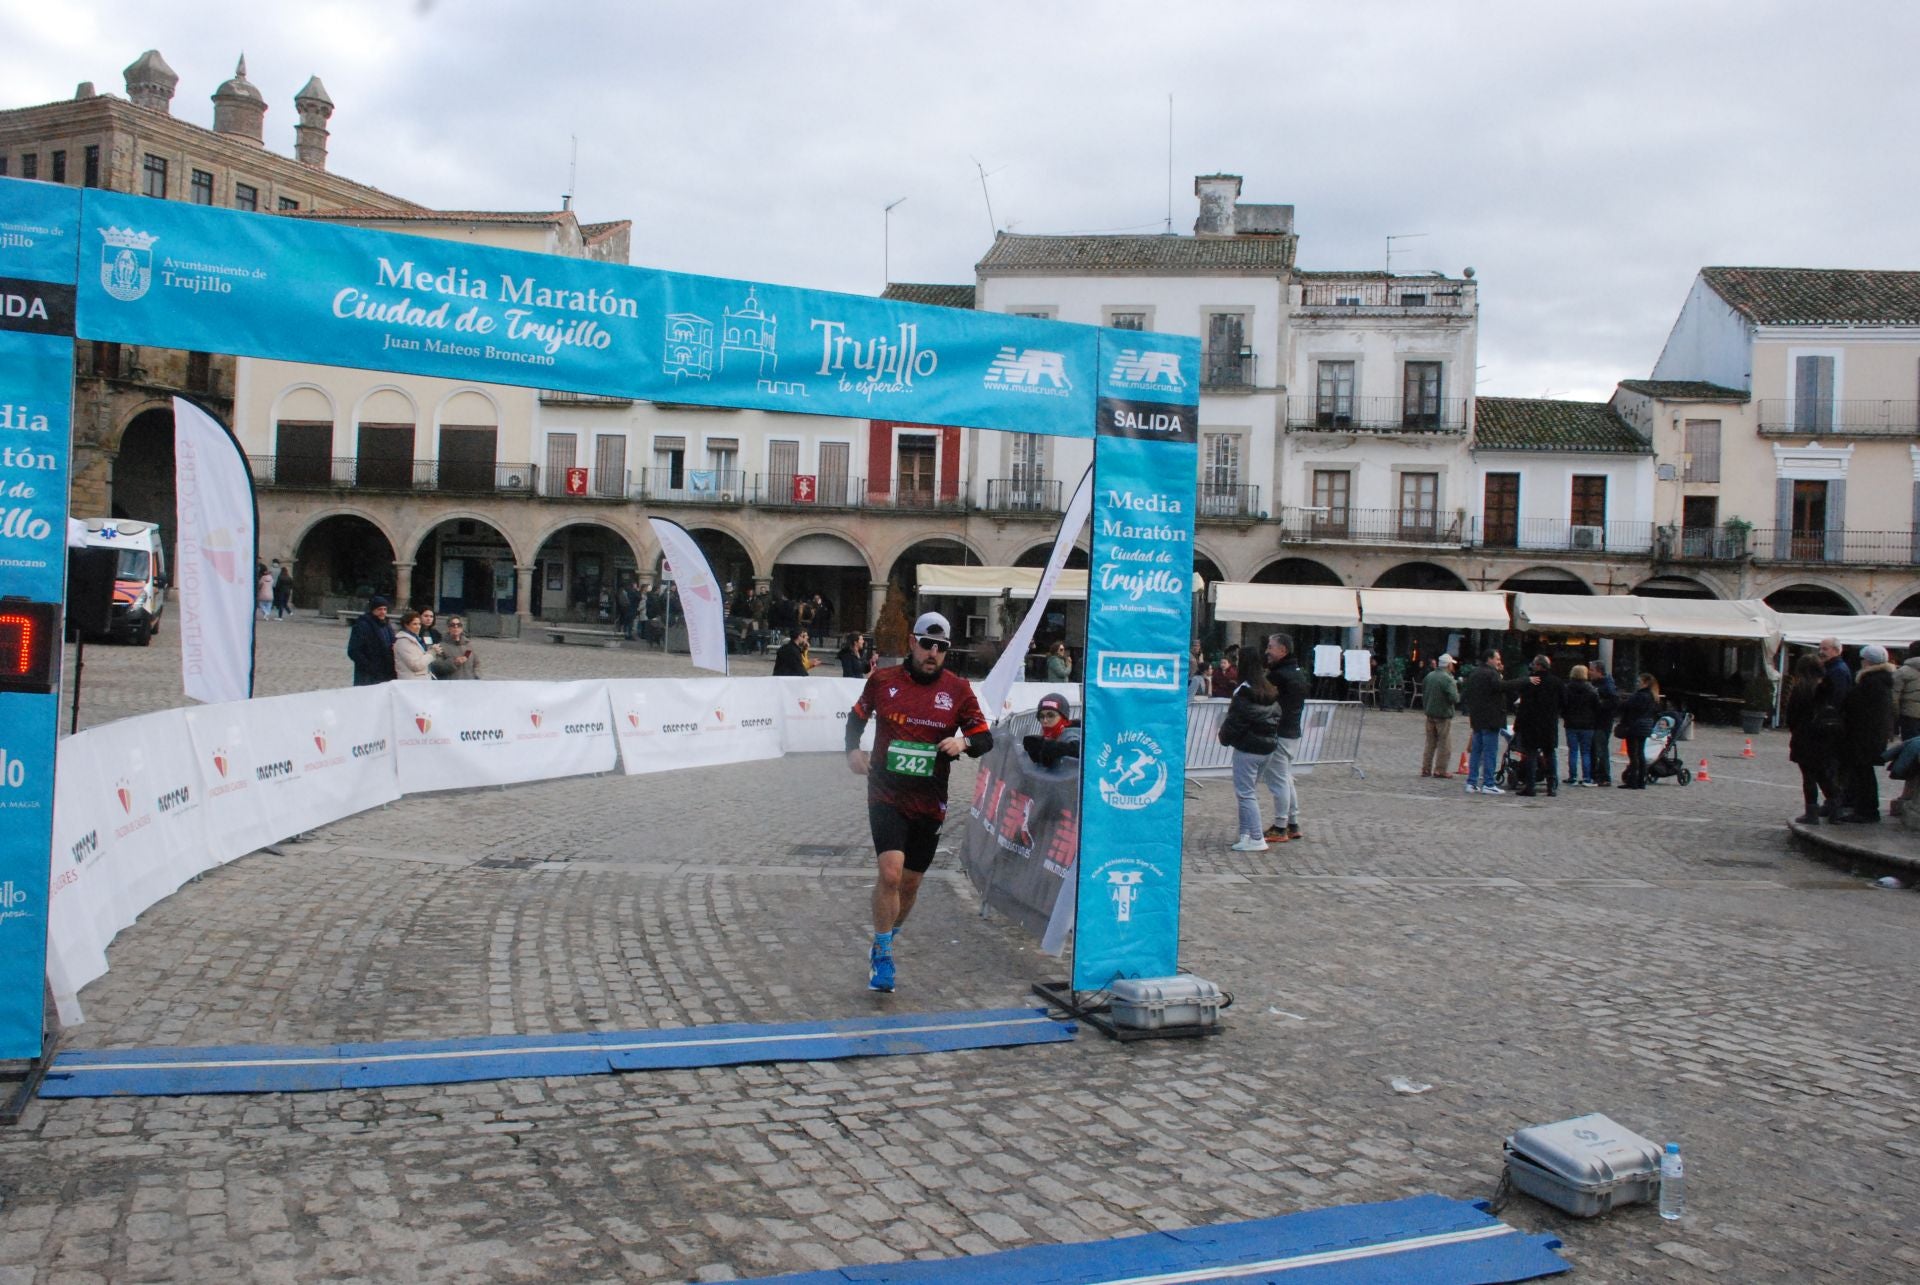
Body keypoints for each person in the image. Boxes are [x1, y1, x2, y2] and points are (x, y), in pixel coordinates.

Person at [844, 611, 992, 992]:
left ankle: (888, 937)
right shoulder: (883, 680)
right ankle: (883, 953)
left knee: (910, 884)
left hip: (929, 800)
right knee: (890, 874)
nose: (933, 653)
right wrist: (852, 751)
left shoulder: (958, 690)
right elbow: (856, 718)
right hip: (886, 792)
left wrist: (963, 742)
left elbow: (984, 737)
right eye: (927, 644)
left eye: (941, 647)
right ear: (913, 642)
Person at [1219, 665, 1282, 851]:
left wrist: (1224, 737)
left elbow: (1234, 722)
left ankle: (1255, 837)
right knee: (1248, 792)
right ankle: (1245, 835)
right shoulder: (1269, 694)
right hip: (1267, 748)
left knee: (1246, 794)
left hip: (1248, 749)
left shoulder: (1243, 696)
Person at [1835, 644, 1897, 823]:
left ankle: (1867, 810)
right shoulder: (1881, 680)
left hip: (1865, 736)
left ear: (1868, 661)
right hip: (1871, 735)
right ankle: (1861, 806)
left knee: (1864, 774)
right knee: (1862, 773)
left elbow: (1857, 708)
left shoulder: (1871, 682)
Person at [1261, 632, 1310, 843]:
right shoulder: (1297, 673)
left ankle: (1281, 826)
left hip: (1279, 732)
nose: (1267, 651)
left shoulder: (1278, 676)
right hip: (1292, 731)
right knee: (1286, 778)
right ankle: (1292, 822)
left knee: (1279, 780)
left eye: (1271, 647)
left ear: (1283, 650)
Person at [1460, 650, 1526, 795]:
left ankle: (1472, 782)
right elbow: (1501, 686)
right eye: (1497, 658)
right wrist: (1523, 681)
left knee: (1477, 751)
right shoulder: (1491, 674)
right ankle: (1488, 783)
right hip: (1491, 719)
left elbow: (1467, 693)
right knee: (1490, 751)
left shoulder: (1475, 673)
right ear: (1489, 659)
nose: (1499, 661)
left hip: (1477, 718)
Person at [1785, 654, 1832, 824]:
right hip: (1823, 735)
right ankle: (1835, 806)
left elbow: (1792, 715)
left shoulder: (1801, 688)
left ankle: (1811, 811)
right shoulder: (1826, 687)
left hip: (1804, 736)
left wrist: (1796, 730)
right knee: (1822, 773)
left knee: (1809, 776)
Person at [1512, 655, 1563, 797]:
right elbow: (1563, 702)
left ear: (1539, 666)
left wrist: (1518, 725)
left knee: (1531, 755)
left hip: (1531, 724)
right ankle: (1551, 786)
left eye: (1534, 664)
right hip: (1549, 724)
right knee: (1550, 754)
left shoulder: (1531, 682)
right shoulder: (1556, 682)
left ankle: (1530, 785)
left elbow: (1523, 705)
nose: (1532, 666)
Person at [1561, 664, 1602, 787]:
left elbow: (1563, 705)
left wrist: (1566, 716)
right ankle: (1587, 777)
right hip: (1587, 725)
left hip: (1571, 724)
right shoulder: (1591, 690)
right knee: (1586, 752)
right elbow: (1597, 707)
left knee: (1572, 751)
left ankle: (1572, 776)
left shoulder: (1567, 689)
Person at [1419, 653, 1459, 778]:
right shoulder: (1447, 679)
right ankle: (1440, 769)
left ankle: (1426, 768)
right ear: (1448, 665)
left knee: (1430, 743)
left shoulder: (1429, 676)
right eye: (1452, 664)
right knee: (1444, 744)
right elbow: (1454, 698)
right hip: (1443, 715)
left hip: (1430, 713)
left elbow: (1424, 692)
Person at [1620, 673, 1660, 789]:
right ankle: (1641, 780)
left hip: (1635, 726)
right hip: (1645, 726)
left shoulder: (1641, 696)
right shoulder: (1652, 696)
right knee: (1640, 753)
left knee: (1634, 755)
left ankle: (1633, 780)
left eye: (1639, 681)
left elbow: (1628, 707)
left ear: (1645, 683)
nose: (1637, 683)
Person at [1022, 691, 1081, 768]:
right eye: (1041, 716)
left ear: (1063, 718)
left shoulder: (1070, 735)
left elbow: (1082, 750)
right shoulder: (1052, 734)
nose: (1045, 720)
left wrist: (1052, 748)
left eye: (1051, 715)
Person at [346, 597, 396, 686]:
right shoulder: (362, 625)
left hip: (386, 671)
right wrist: (369, 666)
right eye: (379, 609)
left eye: (385, 609)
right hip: (368, 674)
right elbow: (354, 651)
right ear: (373, 610)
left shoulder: (387, 624)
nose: (383, 612)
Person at [1589, 660, 1618, 787]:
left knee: (1601, 749)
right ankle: (1596, 774)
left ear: (1599, 671)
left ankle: (1604, 776)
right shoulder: (1598, 684)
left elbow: (1613, 702)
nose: (1590, 672)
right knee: (1595, 748)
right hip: (1597, 721)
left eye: (1592, 670)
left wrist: (1599, 704)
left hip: (1602, 722)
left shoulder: (1606, 686)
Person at [434, 615, 480, 680]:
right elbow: (437, 667)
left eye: (459, 625)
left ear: (462, 628)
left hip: (468, 684)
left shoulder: (468, 645)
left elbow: (476, 664)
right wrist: (454, 662)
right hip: (451, 685)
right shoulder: (441, 646)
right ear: (448, 628)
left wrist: (477, 678)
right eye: (453, 625)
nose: (456, 627)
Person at [1891, 640, 1920, 741]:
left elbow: (1893, 697)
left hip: (1909, 715)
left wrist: (1895, 716)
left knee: (1910, 747)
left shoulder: (1902, 672)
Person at [392, 609, 433, 681]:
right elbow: (415, 666)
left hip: (420, 682)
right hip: (411, 683)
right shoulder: (403, 641)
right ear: (406, 625)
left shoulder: (416, 639)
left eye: (419, 624)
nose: (418, 627)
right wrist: (431, 654)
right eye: (415, 624)